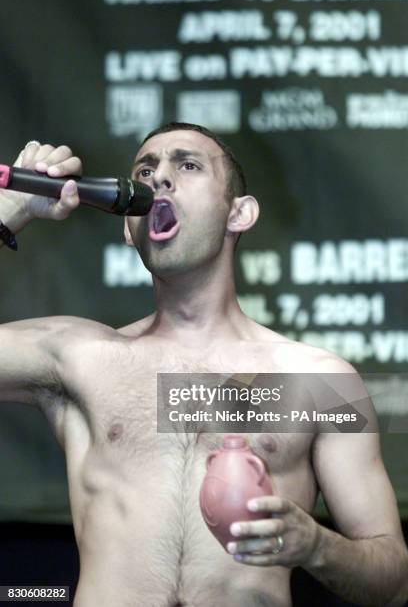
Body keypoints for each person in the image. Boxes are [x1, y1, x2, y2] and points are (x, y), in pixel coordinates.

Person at [0, 123, 407, 607]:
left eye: (187, 165)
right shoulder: (78, 356)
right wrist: (6, 215)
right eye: (145, 170)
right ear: (127, 228)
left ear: (240, 213)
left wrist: (317, 546)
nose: (159, 179)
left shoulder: (321, 381)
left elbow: (394, 584)